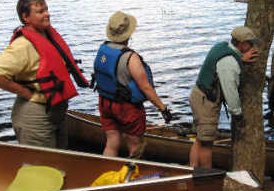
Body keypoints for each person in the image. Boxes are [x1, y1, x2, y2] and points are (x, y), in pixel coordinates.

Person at [0, 0, 89, 149]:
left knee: (61, 163)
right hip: (35, 117)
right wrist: (28, 94)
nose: (47, 14)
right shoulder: (22, 45)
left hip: (56, 113)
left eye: (47, 9)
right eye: (40, 12)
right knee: (41, 168)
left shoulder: (48, 36)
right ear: (25, 17)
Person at [93, 11, 173, 158]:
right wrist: (163, 108)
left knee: (112, 141)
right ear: (129, 34)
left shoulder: (103, 49)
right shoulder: (131, 57)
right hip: (125, 108)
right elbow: (145, 87)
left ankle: (107, 174)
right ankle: (131, 178)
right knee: (136, 146)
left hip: (105, 103)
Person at [189, 26, 259, 168]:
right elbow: (230, 91)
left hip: (198, 96)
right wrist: (237, 114)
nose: (252, 46)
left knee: (200, 139)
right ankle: (206, 177)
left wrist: (241, 58)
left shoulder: (223, 47)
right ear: (241, 44)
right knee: (206, 143)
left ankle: (192, 169)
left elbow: (228, 62)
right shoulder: (229, 63)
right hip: (206, 103)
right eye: (249, 43)